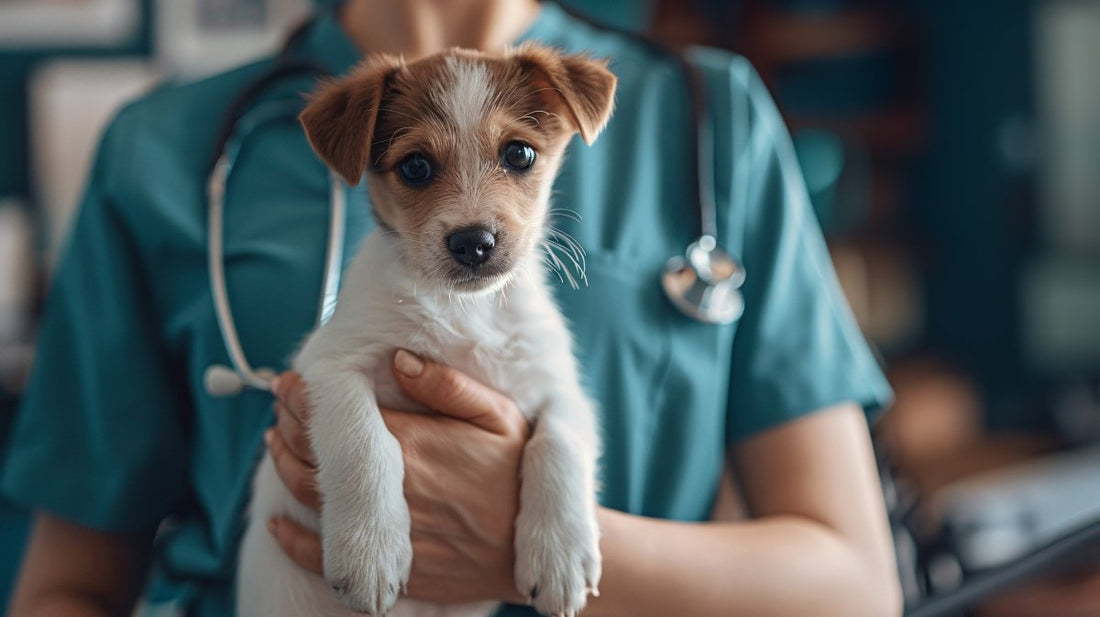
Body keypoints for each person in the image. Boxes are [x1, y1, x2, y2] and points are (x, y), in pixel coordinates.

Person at [1, 0, 902, 615]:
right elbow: (66, 584)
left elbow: (858, 586)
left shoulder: (711, 115)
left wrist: (519, 535)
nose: (475, 215)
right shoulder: (159, 151)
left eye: (516, 156)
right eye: (420, 168)